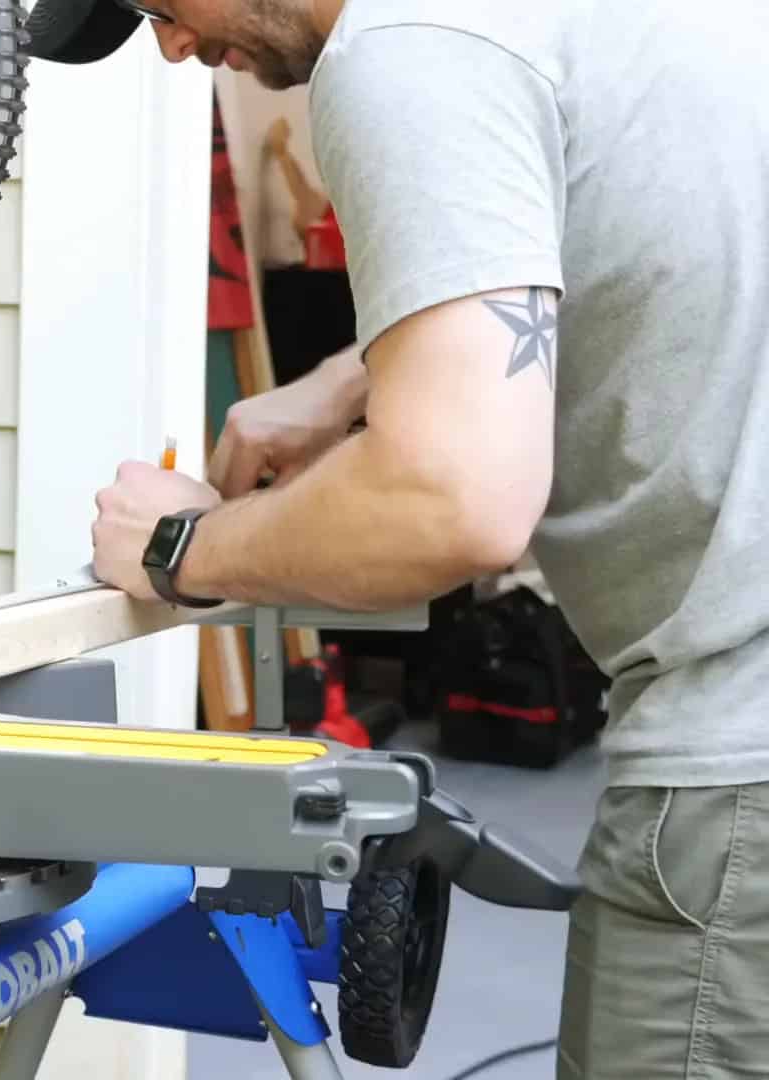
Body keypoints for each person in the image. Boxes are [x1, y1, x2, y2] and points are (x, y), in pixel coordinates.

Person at [85, 1, 769, 1077]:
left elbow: (452, 494)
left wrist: (183, 548)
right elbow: (611, 222)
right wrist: (345, 382)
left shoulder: (402, 49)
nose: (171, 45)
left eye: (157, 4)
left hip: (742, 754)